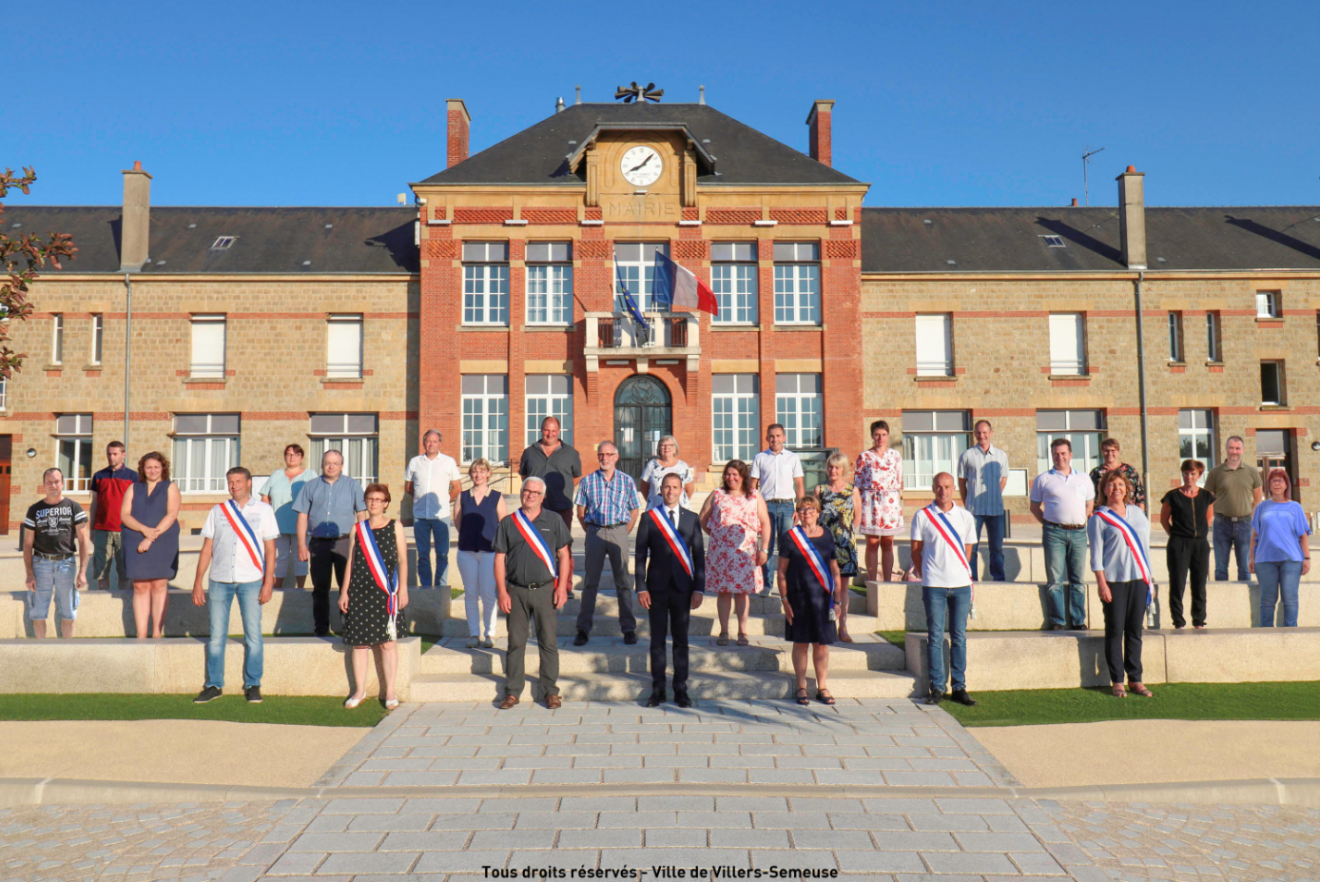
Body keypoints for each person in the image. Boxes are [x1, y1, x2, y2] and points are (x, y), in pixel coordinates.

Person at [192, 467, 278, 704]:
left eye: (238, 481)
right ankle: (214, 684)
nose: (234, 485)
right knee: (217, 635)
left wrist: (268, 582)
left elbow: (271, 550)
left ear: (249, 483)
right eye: (230, 481)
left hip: (251, 580)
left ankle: (253, 684)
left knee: (253, 634)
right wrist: (198, 582)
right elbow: (207, 547)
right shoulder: (218, 511)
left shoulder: (264, 510)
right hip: (219, 580)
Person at [494, 476, 572, 710]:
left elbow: (565, 555)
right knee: (516, 643)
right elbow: (499, 559)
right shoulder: (508, 522)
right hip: (516, 591)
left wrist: (562, 587)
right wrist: (502, 592)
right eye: (527, 491)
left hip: (546, 590)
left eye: (535, 493)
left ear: (543, 496)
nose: (530, 495)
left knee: (547, 642)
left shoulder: (554, 520)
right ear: (521, 492)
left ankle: (550, 691)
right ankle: (512, 691)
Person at [636, 473, 706, 707]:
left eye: (675, 487)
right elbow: (639, 556)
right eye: (666, 487)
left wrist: (699, 588)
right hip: (655, 588)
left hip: (683, 588)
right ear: (660, 490)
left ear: (681, 491)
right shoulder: (648, 518)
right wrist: (641, 588)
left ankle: (680, 688)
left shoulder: (691, 519)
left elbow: (698, 556)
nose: (671, 491)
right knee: (656, 641)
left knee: (681, 640)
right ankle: (658, 688)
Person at [339, 483, 410, 710]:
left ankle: (390, 691)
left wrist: (404, 589)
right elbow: (350, 561)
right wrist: (344, 591)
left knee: (388, 644)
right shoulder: (357, 529)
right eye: (370, 499)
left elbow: (403, 560)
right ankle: (359, 691)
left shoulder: (395, 526)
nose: (374, 503)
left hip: (386, 591)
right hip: (359, 591)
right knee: (360, 645)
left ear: (386, 503)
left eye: (379, 499)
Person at [910, 472, 977, 706]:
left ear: (953, 490)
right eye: (939, 487)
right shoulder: (922, 516)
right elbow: (915, 551)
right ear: (933, 489)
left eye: (948, 487)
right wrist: (927, 573)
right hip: (933, 585)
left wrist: (957, 571)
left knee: (959, 636)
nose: (943, 491)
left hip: (960, 585)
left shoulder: (965, 516)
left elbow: (968, 551)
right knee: (935, 636)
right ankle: (937, 686)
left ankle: (959, 687)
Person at [1089, 471, 1154, 698]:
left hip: (1138, 579)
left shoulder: (1137, 513)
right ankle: (1117, 680)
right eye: (1110, 485)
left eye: (1119, 484)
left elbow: (1145, 548)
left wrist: (1150, 580)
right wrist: (1101, 583)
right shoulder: (1098, 519)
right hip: (1114, 581)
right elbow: (1096, 556)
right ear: (1104, 490)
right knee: (1115, 630)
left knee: (1135, 631)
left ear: (1126, 489)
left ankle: (1135, 678)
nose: (1115, 488)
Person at [573, 441, 641, 646]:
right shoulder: (587, 481)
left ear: (616, 457)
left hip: (619, 531)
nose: (605, 458)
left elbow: (634, 510)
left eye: (609, 454)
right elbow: (580, 511)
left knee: (623, 583)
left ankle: (628, 629)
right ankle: (583, 629)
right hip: (595, 531)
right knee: (590, 583)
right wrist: (592, 531)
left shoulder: (627, 481)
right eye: (601, 454)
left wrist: (623, 532)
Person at [777, 496, 842, 706]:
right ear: (797, 512)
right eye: (803, 509)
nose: (807, 513)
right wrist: (785, 600)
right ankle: (801, 686)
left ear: (818, 511)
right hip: (798, 598)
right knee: (801, 643)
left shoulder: (827, 535)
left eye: (811, 509)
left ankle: (822, 686)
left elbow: (834, 569)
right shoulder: (790, 537)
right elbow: (781, 572)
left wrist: (838, 600)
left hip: (823, 599)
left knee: (821, 645)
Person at [295, 450, 367, 637]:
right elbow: (303, 516)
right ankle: (321, 629)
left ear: (342, 466)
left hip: (345, 543)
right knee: (320, 588)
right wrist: (302, 545)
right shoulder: (311, 486)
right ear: (322, 464)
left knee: (349, 586)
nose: (331, 466)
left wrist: (361, 542)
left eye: (335, 463)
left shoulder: (353, 485)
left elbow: (361, 514)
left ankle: (349, 628)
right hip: (318, 544)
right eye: (327, 462)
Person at [699, 460, 771, 646]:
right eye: (728, 474)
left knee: (742, 592)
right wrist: (716, 534)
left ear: (743, 476)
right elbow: (703, 518)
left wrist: (764, 548)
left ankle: (742, 631)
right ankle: (724, 631)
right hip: (720, 553)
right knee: (723, 592)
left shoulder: (754, 495)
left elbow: (765, 523)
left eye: (734, 474)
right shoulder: (717, 494)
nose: (730, 478)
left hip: (744, 553)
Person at [1029, 438, 1095, 630]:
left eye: (1063, 453)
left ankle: (1078, 620)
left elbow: (1090, 503)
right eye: (1056, 454)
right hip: (1054, 533)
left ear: (1071, 455)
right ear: (1052, 456)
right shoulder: (1043, 479)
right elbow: (1034, 507)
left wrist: (1082, 519)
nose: (1060, 457)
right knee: (1055, 580)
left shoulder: (1083, 478)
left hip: (1078, 533)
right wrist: (1048, 523)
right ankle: (1058, 620)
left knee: (1078, 579)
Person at [23, 468, 90, 638]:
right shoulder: (35, 510)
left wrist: (82, 572)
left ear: (63, 483)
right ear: (44, 485)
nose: (53, 485)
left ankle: (66, 652)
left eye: (56, 481)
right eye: (49, 482)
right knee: (38, 613)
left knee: (68, 612)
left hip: (66, 565)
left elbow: (83, 542)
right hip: (41, 564)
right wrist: (29, 574)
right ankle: (41, 652)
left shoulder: (73, 507)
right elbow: (27, 544)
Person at [120, 452, 181, 639]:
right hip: (135, 539)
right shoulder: (133, 488)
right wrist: (143, 530)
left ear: (163, 468)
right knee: (139, 586)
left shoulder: (170, 487)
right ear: (143, 469)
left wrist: (150, 537)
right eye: (149, 467)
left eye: (156, 467)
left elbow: (171, 515)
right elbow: (125, 515)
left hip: (163, 540)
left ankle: (156, 633)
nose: (152, 470)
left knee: (159, 585)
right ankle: (141, 634)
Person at [1249, 468, 1311, 628]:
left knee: (1290, 599)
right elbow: (1254, 535)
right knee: (1267, 600)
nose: (1277, 483)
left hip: (1291, 560)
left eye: (1280, 480)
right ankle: (1266, 633)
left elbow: (1303, 536)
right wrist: (1251, 558)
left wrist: (1307, 558)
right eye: (1273, 480)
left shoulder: (1295, 507)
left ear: (1286, 485)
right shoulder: (1261, 507)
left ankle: (1291, 632)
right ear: (1268, 485)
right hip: (1265, 560)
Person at [456, 458, 506, 649]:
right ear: (471, 474)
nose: (478, 475)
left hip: (490, 552)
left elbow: (504, 524)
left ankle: (490, 633)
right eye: (475, 471)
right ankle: (473, 634)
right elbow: (459, 522)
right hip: (467, 552)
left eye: (482, 471)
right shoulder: (462, 497)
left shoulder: (496, 497)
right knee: (470, 593)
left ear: (488, 474)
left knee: (487, 593)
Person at [1159, 460, 1215, 629]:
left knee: (1199, 583)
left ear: (1199, 475)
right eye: (1186, 473)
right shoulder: (1173, 496)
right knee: (1178, 582)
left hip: (1200, 544)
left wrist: (1199, 534)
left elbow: (1208, 518)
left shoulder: (1206, 496)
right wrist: (1176, 535)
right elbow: (1164, 519)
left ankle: (1199, 620)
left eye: (1193, 474)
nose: (1189, 477)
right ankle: (1178, 620)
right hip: (1179, 544)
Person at [404, 429, 462, 590]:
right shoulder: (415, 462)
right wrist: (419, 500)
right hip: (420, 515)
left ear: (439, 443)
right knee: (423, 555)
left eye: (434, 441)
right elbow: (409, 487)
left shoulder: (448, 462)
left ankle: (441, 589)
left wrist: (444, 500)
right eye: (428, 441)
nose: (431, 444)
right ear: (424, 443)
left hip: (440, 515)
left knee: (442, 554)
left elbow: (457, 487)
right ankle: (426, 588)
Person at [751, 424, 804, 593]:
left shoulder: (792, 458)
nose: (775, 439)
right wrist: (753, 509)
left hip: (788, 506)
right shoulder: (760, 458)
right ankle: (767, 584)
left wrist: (800, 508)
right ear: (767, 438)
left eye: (778, 435)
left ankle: (786, 584)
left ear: (784, 437)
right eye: (772, 436)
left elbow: (800, 484)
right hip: (766, 507)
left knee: (787, 546)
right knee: (766, 545)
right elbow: (753, 486)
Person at [815, 452, 860, 642]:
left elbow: (857, 516)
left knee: (842, 587)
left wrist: (848, 533)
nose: (833, 471)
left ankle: (843, 626)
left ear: (843, 469)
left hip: (845, 544)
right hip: (824, 544)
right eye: (831, 467)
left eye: (837, 467)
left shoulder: (852, 490)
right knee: (825, 585)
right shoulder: (820, 489)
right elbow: (814, 514)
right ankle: (827, 624)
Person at [1204, 436, 1263, 581]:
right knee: (1221, 569)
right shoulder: (1215, 472)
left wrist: (1252, 521)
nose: (1234, 451)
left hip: (1244, 525)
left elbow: (1257, 500)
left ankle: (1244, 603)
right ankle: (1222, 602)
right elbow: (1208, 500)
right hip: (1221, 524)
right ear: (1226, 449)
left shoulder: (1252, 472)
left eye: (1237, 448)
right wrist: (1208, 522)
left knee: (1244, 568)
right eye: (1231, 448)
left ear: (1243, 450)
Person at [957, 420, 1009, 582]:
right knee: (971, 548)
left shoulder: (1001, 455)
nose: (982, 435)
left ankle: (998, 579)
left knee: (997, 549)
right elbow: (962, 482)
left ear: (991, 433)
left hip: (996, 511)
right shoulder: (967, 456)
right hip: (974, 511)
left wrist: (994, 495)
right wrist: (968, 502)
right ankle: (970, 579)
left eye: (985, 432)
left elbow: (1004, 479)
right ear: (975, 434)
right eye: (979, 432)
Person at [260, 443, 315, 589]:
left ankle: (301, 588)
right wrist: (268, 515)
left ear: (302, 457)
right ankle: (278, 587)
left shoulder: (310, 475)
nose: (292, 457)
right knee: (279, 557)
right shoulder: (277, 475)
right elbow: (265, 495)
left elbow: (317, 497)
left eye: (296, 454)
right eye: (288, 454)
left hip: (302, 523)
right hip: (278, 523)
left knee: (300, 557)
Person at [855, 420, 903, 583]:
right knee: (872, 543)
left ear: (888, 436)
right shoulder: (864, 456)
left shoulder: (895, 456)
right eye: (877, 435)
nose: (880, 438)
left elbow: (899, 480)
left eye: (883, 435)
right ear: (872, 436)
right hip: (870, 503)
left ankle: (888, 581)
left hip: (889, 504)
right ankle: (872, 580)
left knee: (888, 543)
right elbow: (858, 484)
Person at [88, 441, 136, 590]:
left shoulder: (133, 476)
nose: (111, 457)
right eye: (109, 454)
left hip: (125, 530)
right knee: (101, 572)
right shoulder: (98, 476)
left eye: (115, 454)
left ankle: (124, 603)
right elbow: (94, 503)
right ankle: (104, 605)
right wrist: (91, 529)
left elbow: (138, 504)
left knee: (125, 572)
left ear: (123, 455)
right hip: (102, 529)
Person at [1088, 438, 1147, 512]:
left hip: (1129, 513)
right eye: (1106, 451)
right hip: (1105, 513)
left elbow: (1140, 495)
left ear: (1118, 452)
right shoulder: (1096, 473)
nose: (1110, 454)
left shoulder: (1130, 471)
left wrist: (1140, 514)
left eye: (1113, 451)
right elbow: (1090, 497)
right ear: (1102, 452)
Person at [639, 435, 696, 510]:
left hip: (679, 511)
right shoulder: (651, 465)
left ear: (675, 449)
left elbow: (690, 489)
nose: (666, 448)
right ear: (659, 449)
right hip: (656, 511)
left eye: (670, 445)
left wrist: (676, 501)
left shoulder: (683, 466)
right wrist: (653, 501)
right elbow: (643, 488)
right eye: (663, 445)